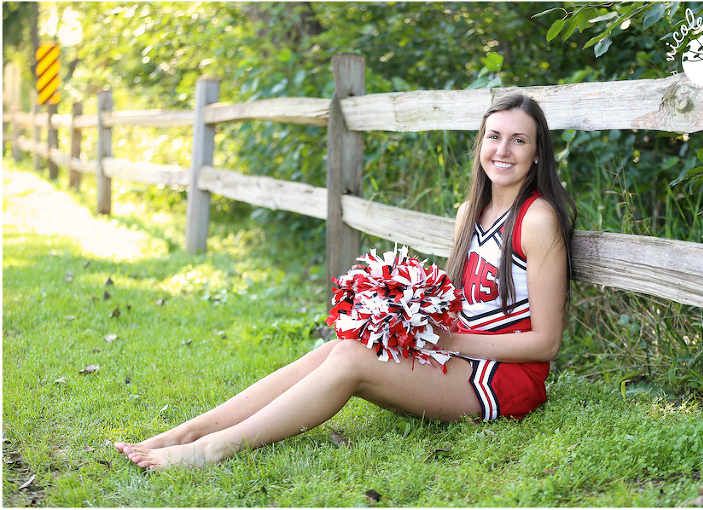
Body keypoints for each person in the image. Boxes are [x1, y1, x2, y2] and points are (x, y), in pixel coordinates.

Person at [115, 93, 577, 471]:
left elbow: (546, 343)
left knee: (353, 359)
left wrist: (450, 339)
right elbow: (460, 307)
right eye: (494, 136)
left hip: (505, 380)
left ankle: (214, 449)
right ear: (480, 144)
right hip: (462, 359)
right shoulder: (469, 212)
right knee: (341, 346)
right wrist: (407, 318)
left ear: (537, 153)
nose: (503, 150)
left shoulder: (537, 220)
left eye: (519, 140)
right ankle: (189, 432)